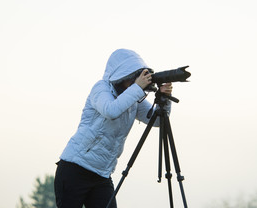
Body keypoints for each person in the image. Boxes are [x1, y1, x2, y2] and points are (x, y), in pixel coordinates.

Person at [54, 49, 173, 208]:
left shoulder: (133, 98)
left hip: (102, 174)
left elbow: (157, 121)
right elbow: (111, 111)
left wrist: (164, 99)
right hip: (75, 169)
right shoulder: (101, 88)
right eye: (132, 78)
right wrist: (137, 88)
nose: (134, 83)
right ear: (122, 76)